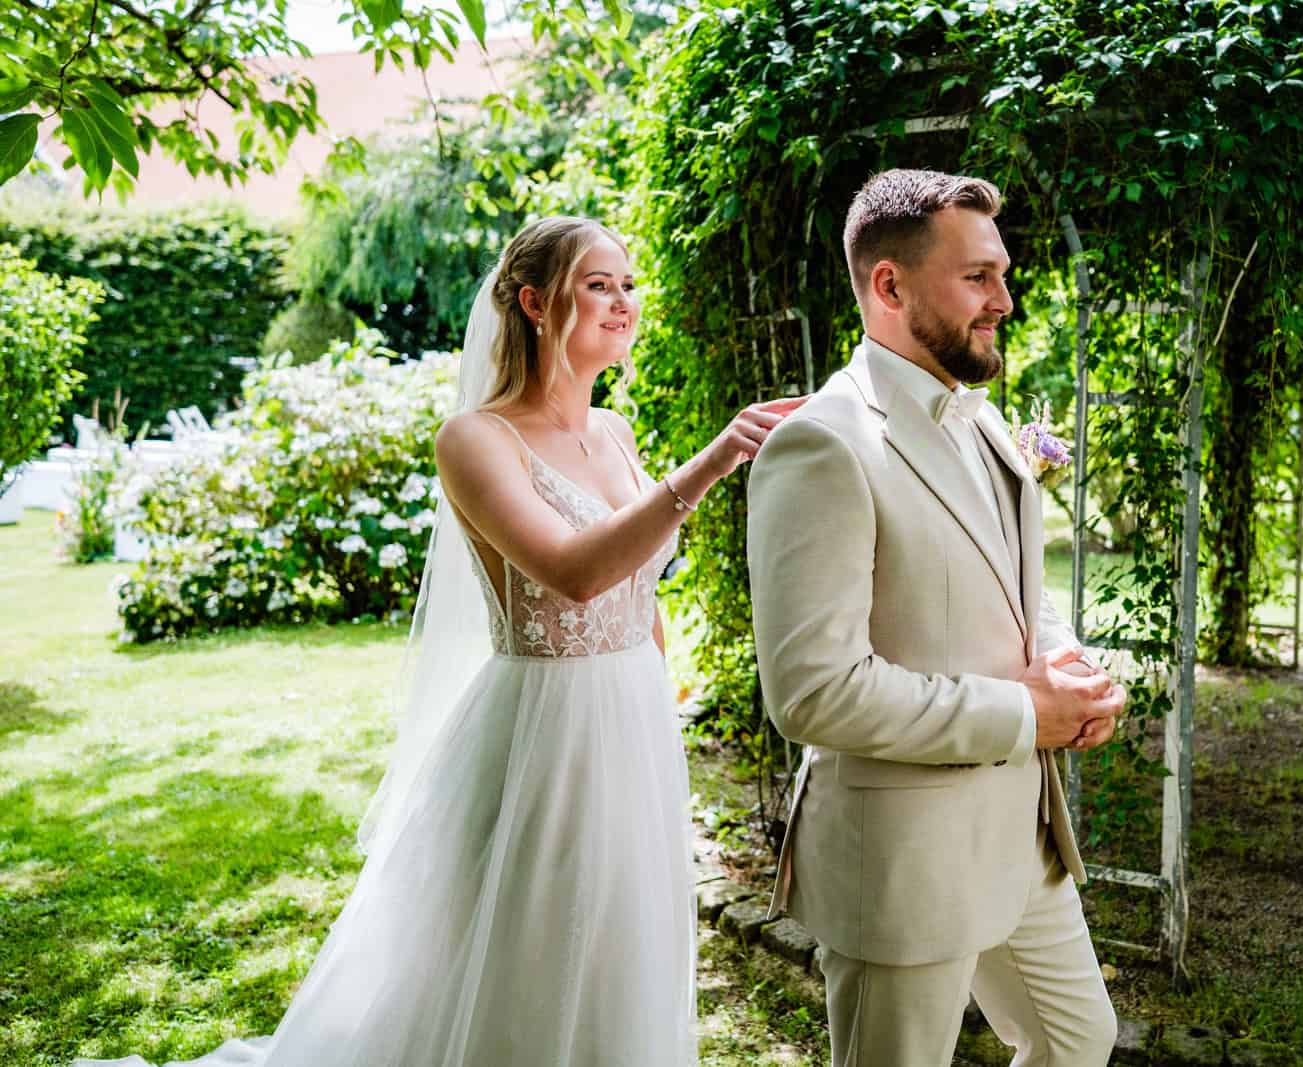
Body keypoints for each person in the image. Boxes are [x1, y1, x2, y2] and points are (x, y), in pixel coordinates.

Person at [75, 215, 802, 1067]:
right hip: (545, 726)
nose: (623, 303)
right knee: (533, 942)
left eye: (628, 285)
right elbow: (571, 571)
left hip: (633, 720)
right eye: (599, 284)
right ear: (535, 302)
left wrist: (657, 692)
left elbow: (637, 590)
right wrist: (711, 463)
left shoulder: (616, 433)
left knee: (620, 930)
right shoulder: (475, 440)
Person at [746, 169, 1127, 1067]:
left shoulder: (984, 419)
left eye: (1002, 272)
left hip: (1018, 836)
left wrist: (1065, 661)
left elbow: (1010, 586)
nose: (1004, 299)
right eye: (978, 278)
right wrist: (1027, 713)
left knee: (1080, 1041)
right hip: (905, 854)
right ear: (890, 285)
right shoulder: (825, 444)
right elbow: (812, 693)